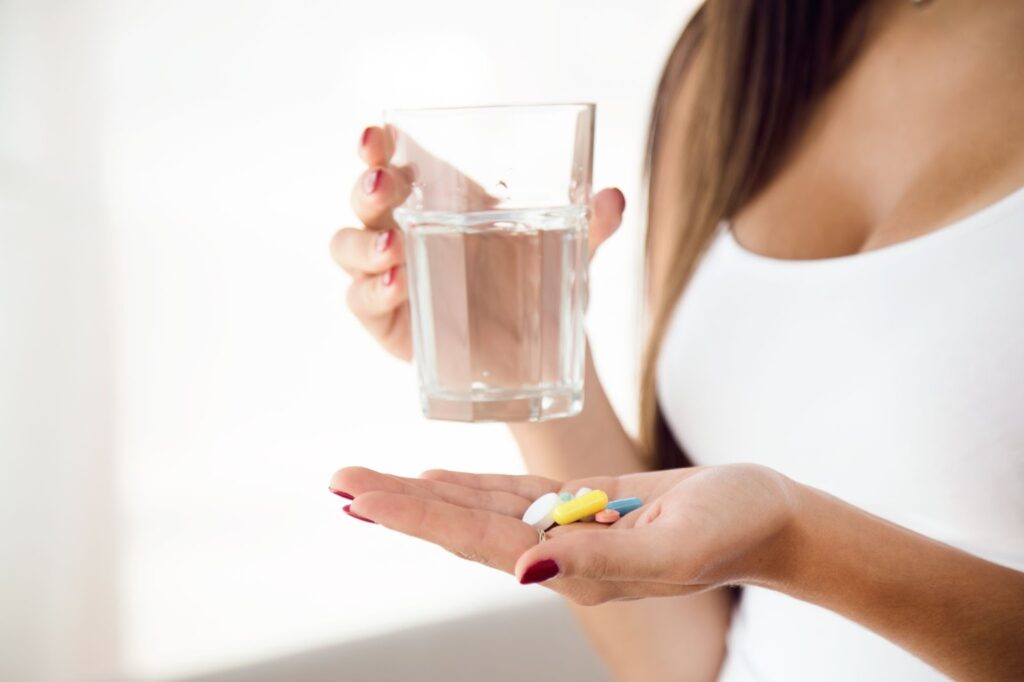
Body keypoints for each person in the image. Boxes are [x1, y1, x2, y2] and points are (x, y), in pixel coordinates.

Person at [327, 1, 1024, 679]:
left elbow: (783, 543)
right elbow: (681, 662)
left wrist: (799, 544)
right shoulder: (739, 53)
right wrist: (519, 358)